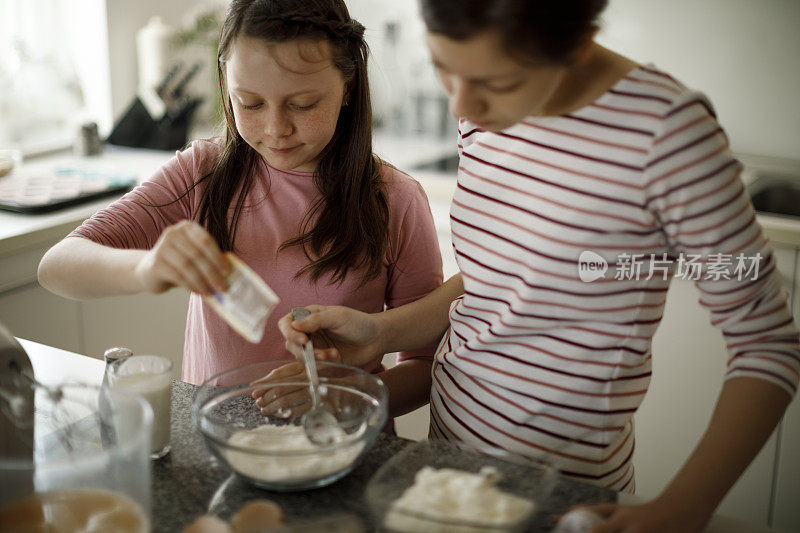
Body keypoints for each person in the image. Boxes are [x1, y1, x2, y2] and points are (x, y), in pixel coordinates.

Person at [277, 1, 799, 531]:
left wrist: (683, 508)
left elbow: (767, 347)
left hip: (567, 490)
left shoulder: (666, 133)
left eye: (497, 83)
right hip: (450, 465)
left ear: (577, 40)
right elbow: (501, 279)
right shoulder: (477, 110)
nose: (464, 104)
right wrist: (381, 333)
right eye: (443, 68)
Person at [37, 0, 443, 421]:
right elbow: (57, 265)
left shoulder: (395, 199)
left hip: (342, 452)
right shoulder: (201, 172)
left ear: (349, 88)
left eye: (303, 104)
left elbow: (428, 366)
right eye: (249, 103)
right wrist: (147, 268)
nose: (275, 129)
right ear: (225, 84)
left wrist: (345, 396)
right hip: (218, 444)